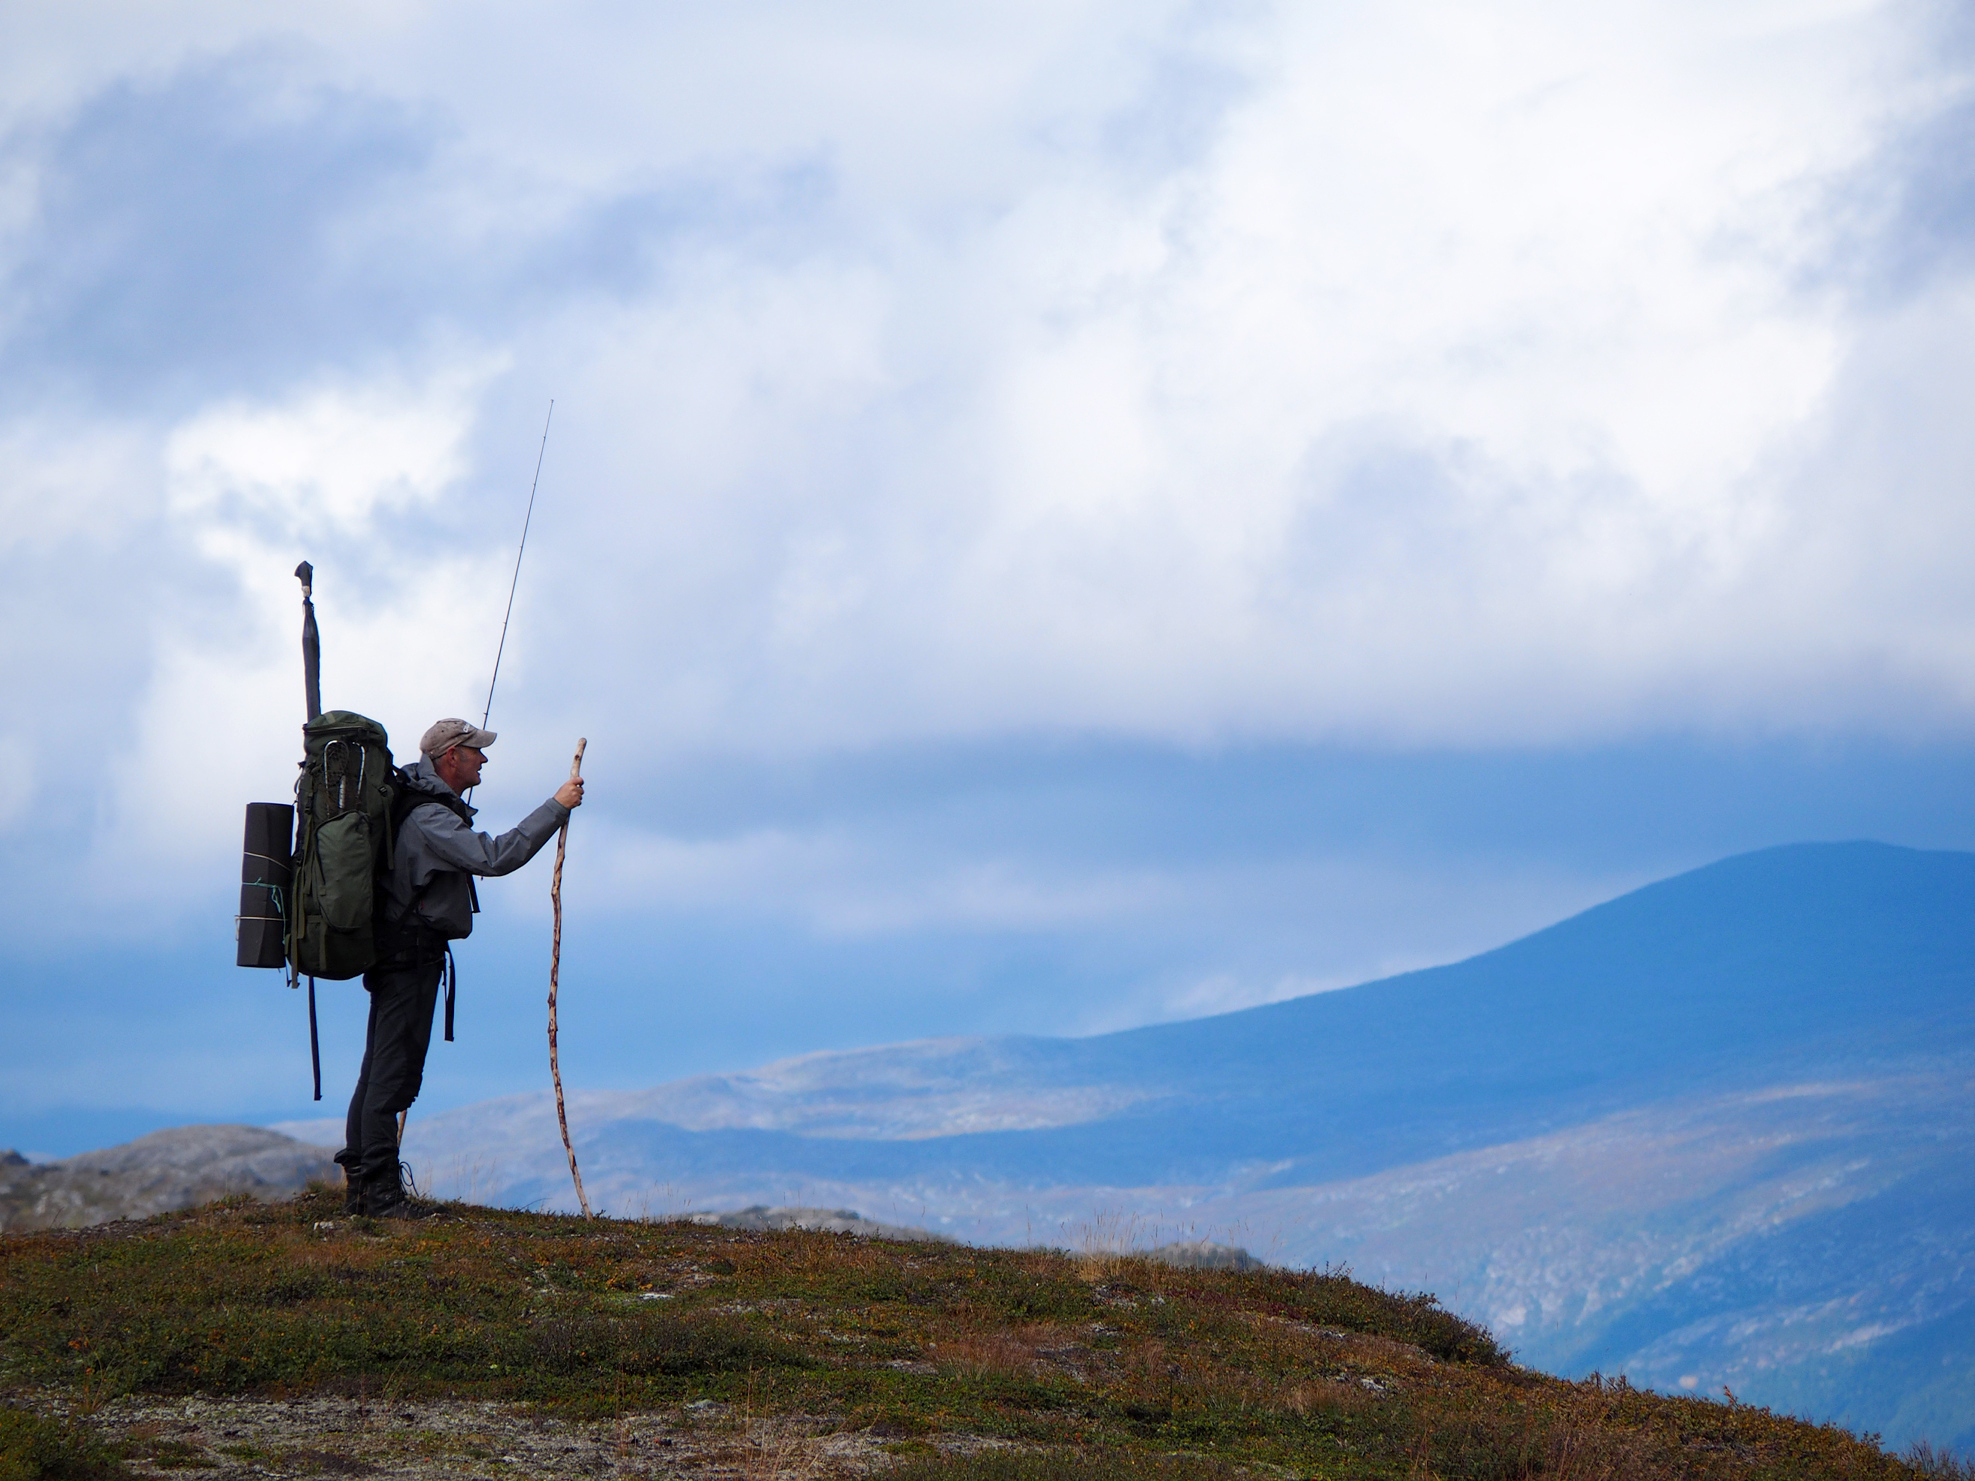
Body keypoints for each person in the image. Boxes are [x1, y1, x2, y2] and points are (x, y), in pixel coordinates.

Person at [335, 717, 584, 1217]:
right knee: (390, 1074)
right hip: (409, 956)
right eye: (476, 751)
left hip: (399, 953)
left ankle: (363, 1188)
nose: (483, 759)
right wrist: (556, 807)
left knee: (377, 1069)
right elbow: (496, 857)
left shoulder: (418, 804)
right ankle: (379, 1196)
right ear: (452, 756)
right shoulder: (429, 816)